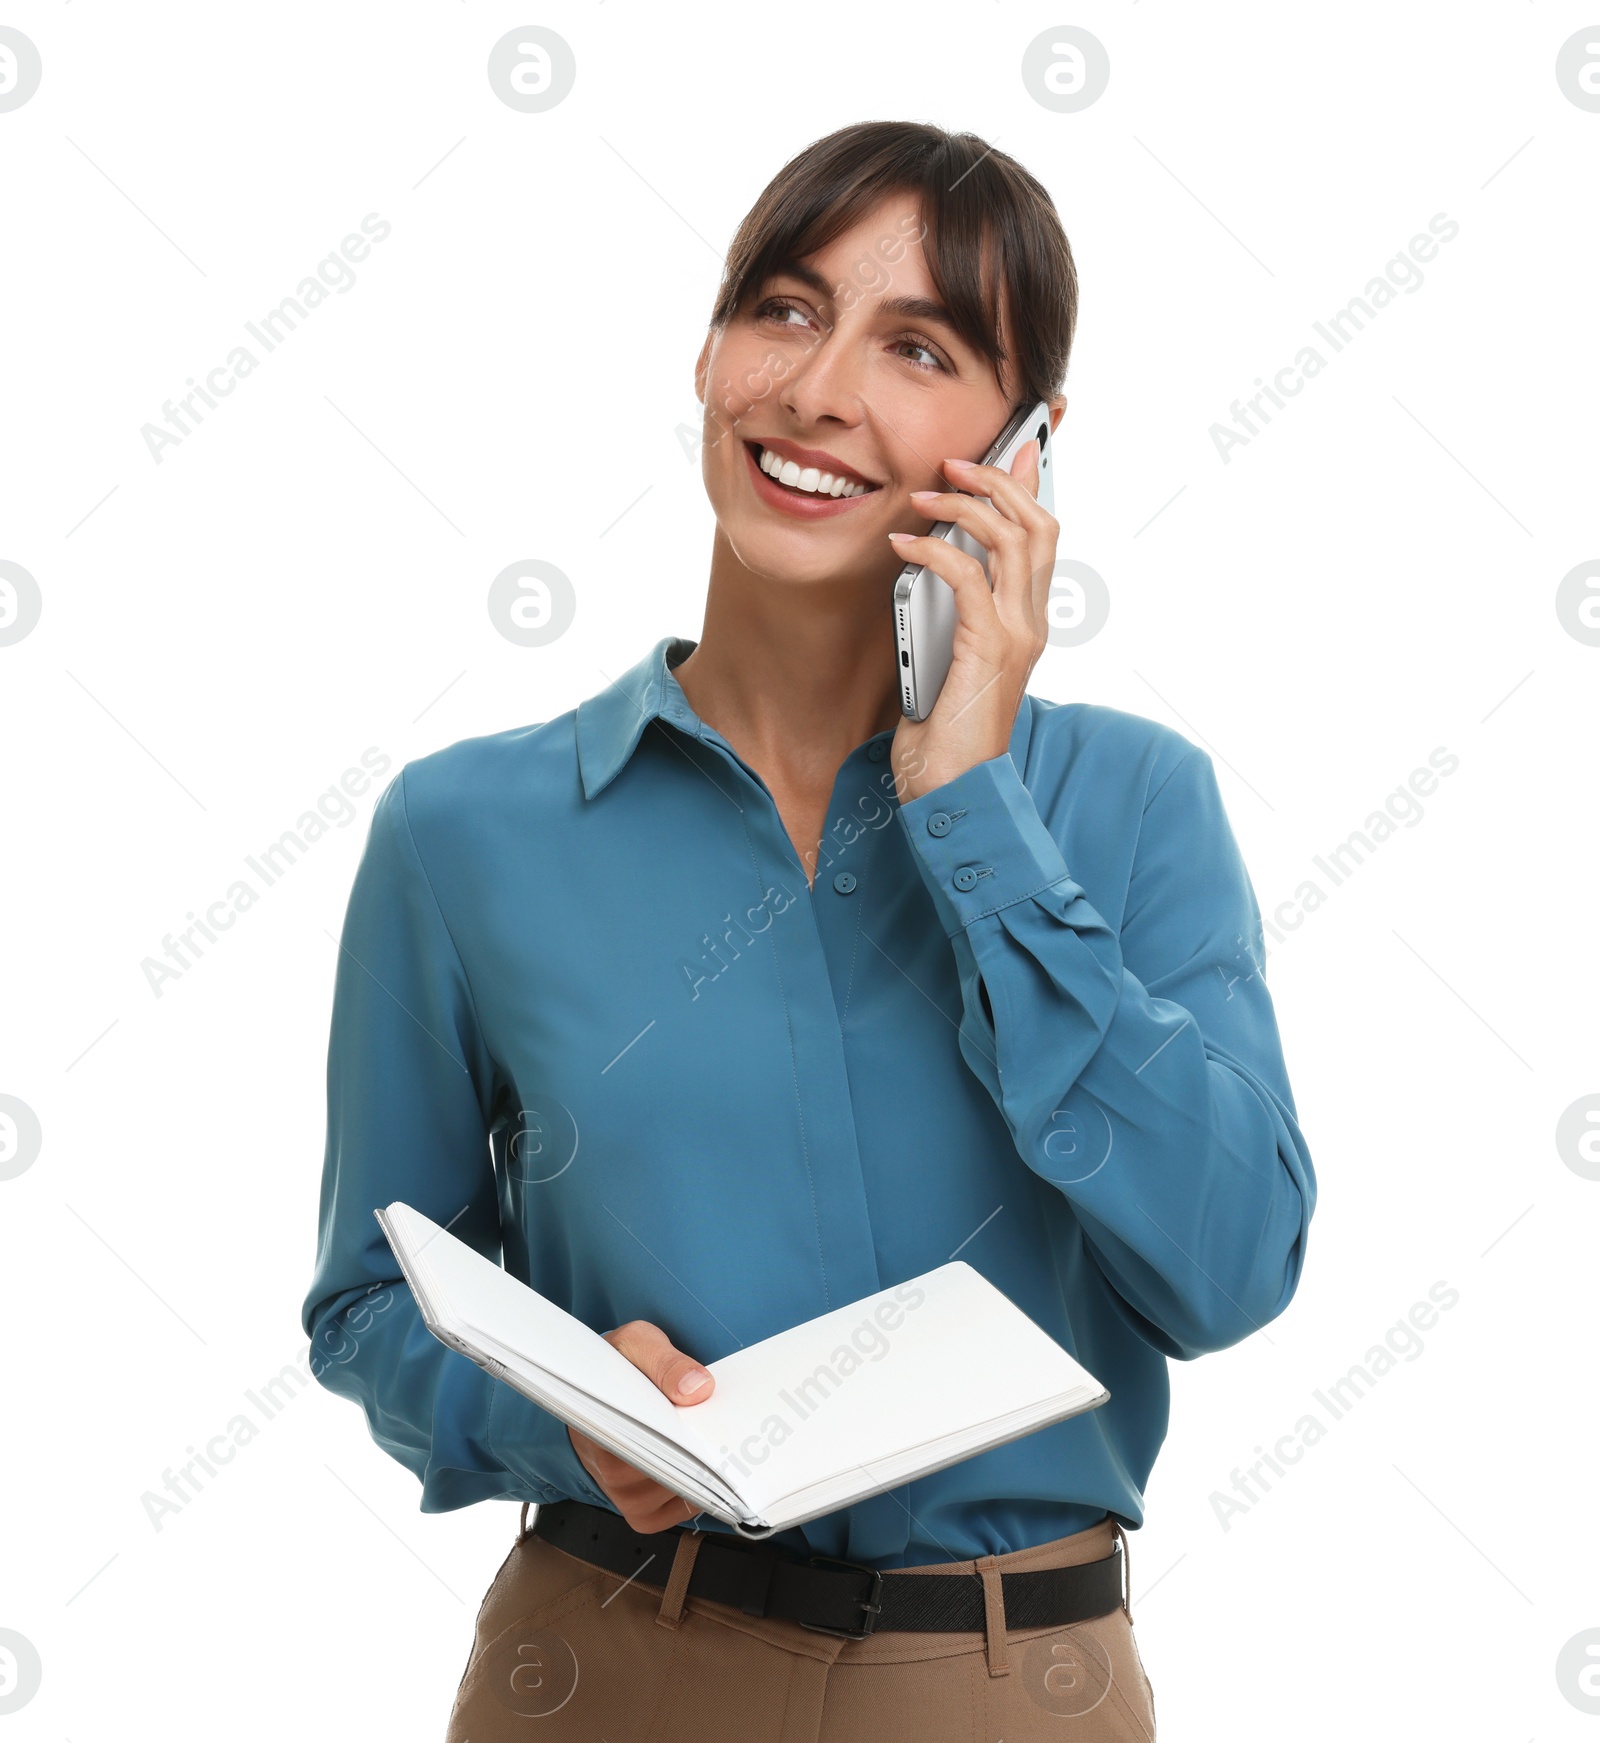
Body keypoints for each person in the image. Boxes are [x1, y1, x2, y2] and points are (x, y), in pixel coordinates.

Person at [301, 119, 1316, 1741]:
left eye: (917, 347)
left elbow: (1230, 1270)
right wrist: (572, 1424)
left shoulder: (1132, 805)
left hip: (1012, 1686)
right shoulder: (461, 832)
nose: (819, 389)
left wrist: (972, 807)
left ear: (1028, 444)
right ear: (710, 353)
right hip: (610, 1665)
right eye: (783, 310)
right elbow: (366, 1305)